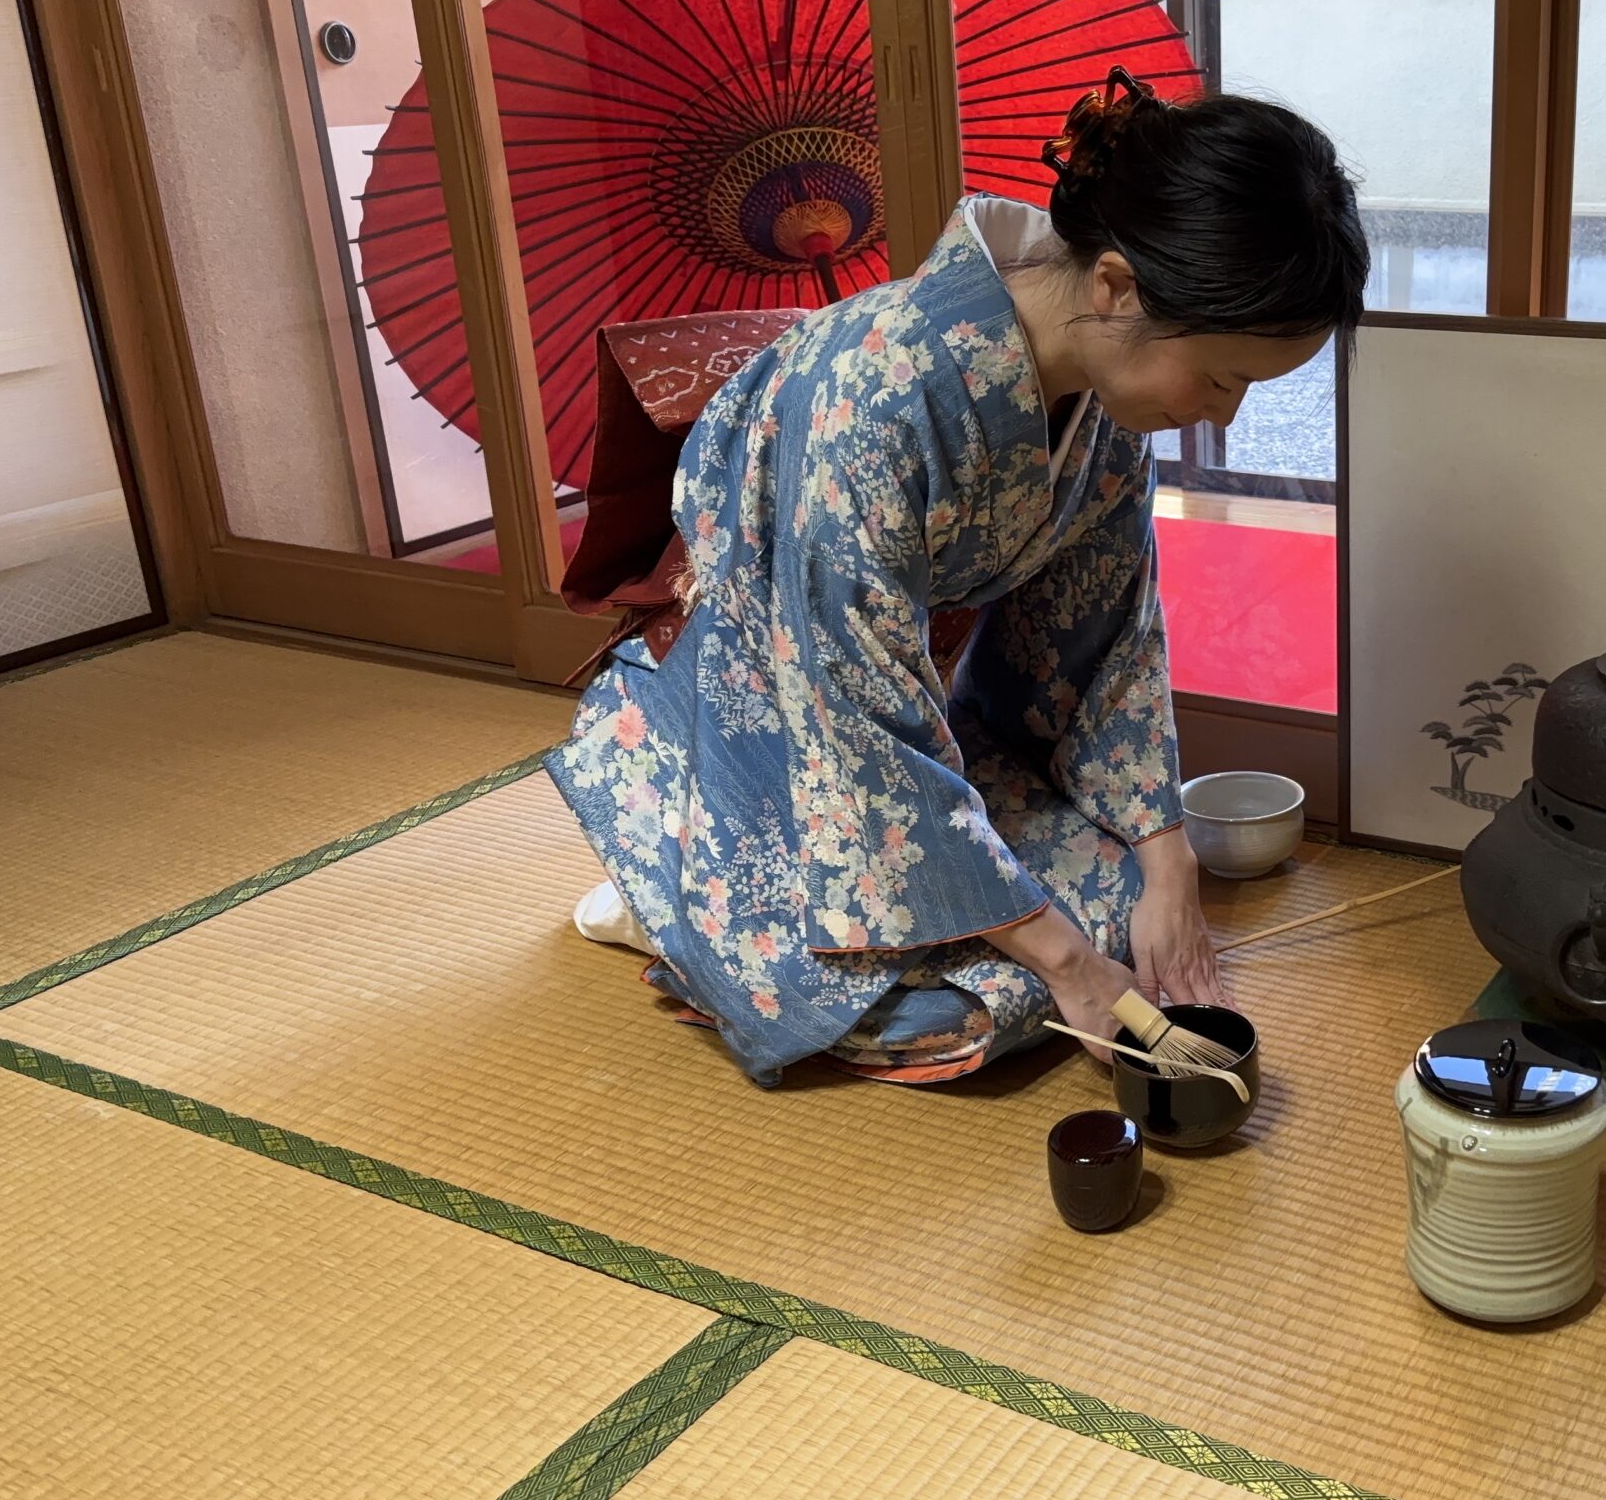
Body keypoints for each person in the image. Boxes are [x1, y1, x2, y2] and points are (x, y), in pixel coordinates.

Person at [549, 69, 1368, 1086]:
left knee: (1122, 910)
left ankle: (758, 907)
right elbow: (849, 712)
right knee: (998, 1004)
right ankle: (662, 880)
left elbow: (1105, 647)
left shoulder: (1109, 404)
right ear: (1115, 287)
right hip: (758, 718)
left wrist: (1170, 865)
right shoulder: (877, 395)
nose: (1223, 418)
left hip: (898, 711)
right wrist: (1065, 963)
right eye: (1221, 379)